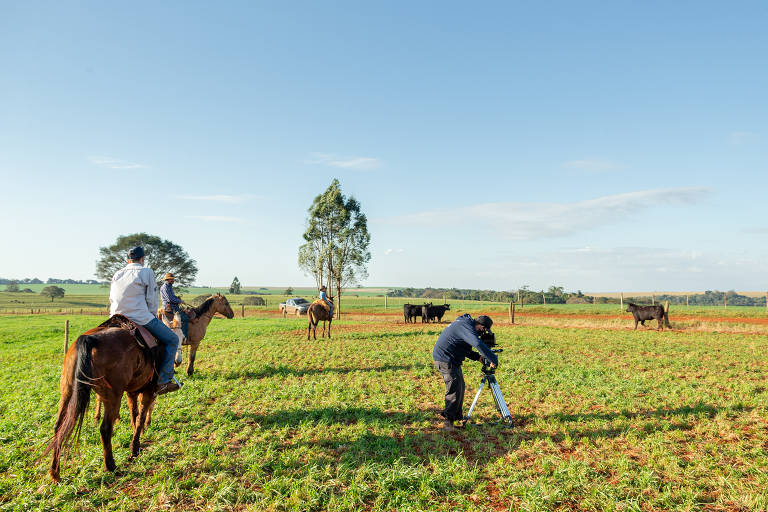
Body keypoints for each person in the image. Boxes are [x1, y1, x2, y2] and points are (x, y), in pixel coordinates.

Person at [109, 246, 183, 395]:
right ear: (143, 259)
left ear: (127, 260)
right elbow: (152, 299)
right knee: (173, 339)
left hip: (116, 318)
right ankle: (163, 382)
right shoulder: (147, 272)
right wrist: (152, 316)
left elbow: (112, 298)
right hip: (141, 317)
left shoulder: (117, 273)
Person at [432, 314, 498, 431]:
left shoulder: (465, 325)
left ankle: (456, 418)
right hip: (445, 359)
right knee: (454, 389)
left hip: (451, 359)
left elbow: (463, 347)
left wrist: (479, 357)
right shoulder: (466, 326)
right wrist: (492, 358)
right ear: (482, 327)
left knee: (460, 387)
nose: (483, 333)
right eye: (484, 330)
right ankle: (448, 423)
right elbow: (477, 344)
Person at [160, 272, 189, 342]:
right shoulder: (165, 287)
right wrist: (180, 301)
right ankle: (183, 337)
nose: (173, 280)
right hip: (170, 307)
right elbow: (170, 299)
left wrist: (178, 298)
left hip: (173, 306)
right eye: (171, 279)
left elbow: (172, 297)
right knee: (185, 318)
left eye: (173, 279)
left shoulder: (169, 286)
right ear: (167, 280)